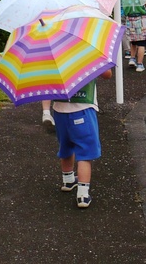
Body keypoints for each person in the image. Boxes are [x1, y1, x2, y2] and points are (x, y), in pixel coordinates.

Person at [53, 68, 112, 209]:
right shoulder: (86, 54)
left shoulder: (54, 57)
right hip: (82, 109)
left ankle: (68, 180)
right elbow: (107, 74)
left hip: (59, 111)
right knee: (85, 153)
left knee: (65, 146)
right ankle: (83, 194)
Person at [124, 0, 146, 73]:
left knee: (133, 41)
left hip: (130, 20)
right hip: (141, 20)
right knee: (142, 43)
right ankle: (140, 64)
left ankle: (132, 58)